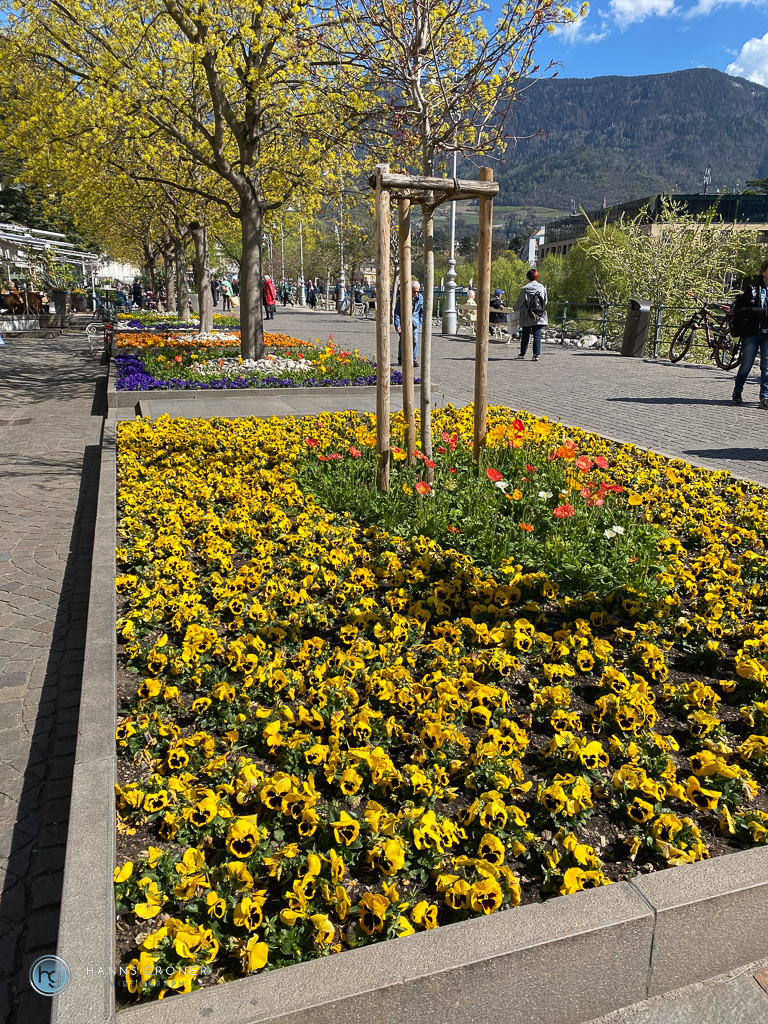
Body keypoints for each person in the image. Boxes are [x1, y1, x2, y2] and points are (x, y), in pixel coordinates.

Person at [732, 259, 768, 408]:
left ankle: (764, 397)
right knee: (746, 364)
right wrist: (762, 312)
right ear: (763, 271)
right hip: (752, 333)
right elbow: (741, 311)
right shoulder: (753, 289)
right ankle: (737, 390)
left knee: (766, 367)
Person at [514, 268, 548, 361]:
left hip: (527, 314)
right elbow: (545, 301)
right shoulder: (542, 288)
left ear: (528, 277)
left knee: (525, 335)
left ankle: (522, 354)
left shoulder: (525, 289)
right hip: (539, 315)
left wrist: (514, 309)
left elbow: (520, 302)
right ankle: (535, 355)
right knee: (537, 335)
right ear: (536, 277)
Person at [394, 280, 424, 366]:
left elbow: (421, 312)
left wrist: (420, 323)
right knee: (403, 339)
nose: (416, 293)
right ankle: (401, 358)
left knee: (415, 340)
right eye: (414, 291)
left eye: (417, 291)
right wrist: (397, 324)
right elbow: (397, 312)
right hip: (404, 322)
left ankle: (413, 359)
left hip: (415, 322)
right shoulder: (403, 297)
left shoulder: (420, 298)